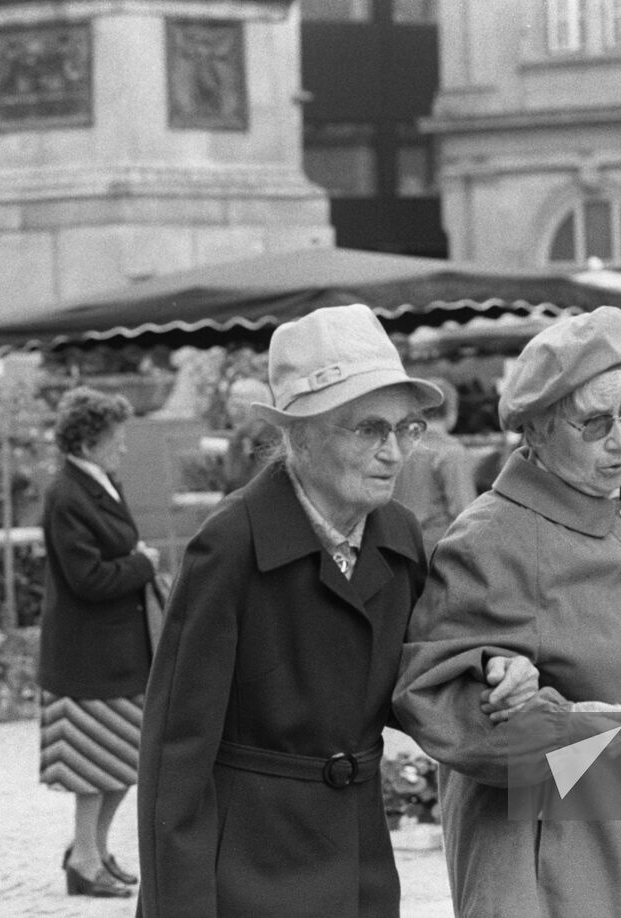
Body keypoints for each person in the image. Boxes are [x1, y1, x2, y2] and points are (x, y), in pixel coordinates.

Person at [136, 303, 535, 918]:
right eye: (369, 429)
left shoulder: (397, 536)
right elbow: (176, 753)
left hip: (359, 866)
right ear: (300, 434)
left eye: (406, 429)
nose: (394, 452)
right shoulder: (231, 545)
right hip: (248, 870)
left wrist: (494, 667)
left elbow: (424, 663)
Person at [393, 307, 621, 917]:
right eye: (593, 424)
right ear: (534, 431)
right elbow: (431, 695)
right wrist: (541, 711)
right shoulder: (493, 538)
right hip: (577, 878)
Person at [38, 386, 161, 898]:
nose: (124, 448)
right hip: (87, 653)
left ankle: (93, 850)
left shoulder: (99, 482)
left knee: (120, 758)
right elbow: (86, 578)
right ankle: (85, 861)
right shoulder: (66, 495)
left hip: (114, 650)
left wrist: (135, 561)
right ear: (88, 443)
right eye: (116, 439)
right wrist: (143, 565)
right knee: (94, 763)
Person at [391, 376, 477, 554]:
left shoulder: (397, 447)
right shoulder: (451, 453)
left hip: (396, 546)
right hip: (436, 552)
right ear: (452, 410)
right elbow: (465, 514)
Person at [216, 375, 279, 493]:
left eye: (239, 406)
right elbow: (231, 489)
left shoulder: (279, 444)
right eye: (231, 405)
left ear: (261, 410)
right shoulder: (238, 442)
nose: (232, 412)